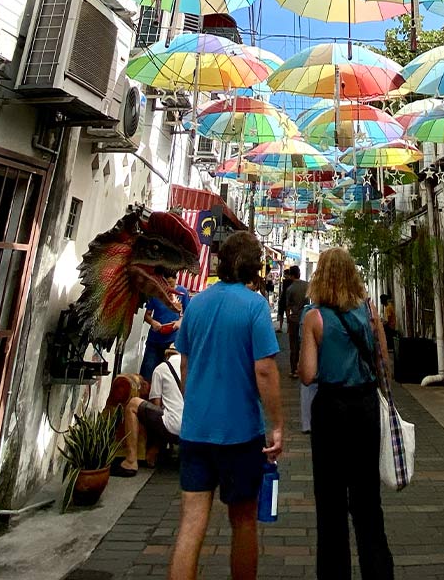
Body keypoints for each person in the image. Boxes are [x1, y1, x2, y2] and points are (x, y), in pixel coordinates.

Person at [169, 232, 284, 580]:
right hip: (239, 433)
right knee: (244, 520)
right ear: (253, 265)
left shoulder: (198, 303)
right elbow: (264, 370)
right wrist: (277, 423)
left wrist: (197, 405)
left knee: (191, 523)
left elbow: (185, 365)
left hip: (196, 431)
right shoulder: (254, 306)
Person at [298, 247, 394, 580]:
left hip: (331, 409)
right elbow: (384, 365)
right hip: (366, 406)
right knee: (368, 500)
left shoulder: (314, 317)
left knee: (331, 503)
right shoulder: (369, 312)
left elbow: (308, 374)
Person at [114, 347, 184, 476]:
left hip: (174, 429)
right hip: (197, 430)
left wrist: (155, 446)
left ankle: (131, 461)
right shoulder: (199, 367)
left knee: (133, 404)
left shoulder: (161, 369)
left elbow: (155, 406)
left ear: (167, 355)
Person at [141, 272, 190, 381]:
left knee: (169, 376)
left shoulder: (183, 293)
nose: (170, 287)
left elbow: (187, 315)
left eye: (172, 285)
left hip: (172, 341)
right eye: (167, 284)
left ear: (176, 280)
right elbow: (147, 315)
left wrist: (179, 322)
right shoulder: (156, 293)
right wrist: (153, 322)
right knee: (147, 374)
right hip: (154, 340)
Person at [284, 265, 309, 378]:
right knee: (305, 344)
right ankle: (304, 367)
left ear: (291, 275)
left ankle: (293, 370)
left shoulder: (290, 289)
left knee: (293, 345)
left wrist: (288, 319)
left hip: (294, 319)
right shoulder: (307, 285)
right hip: (305, 318)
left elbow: (287, 307)